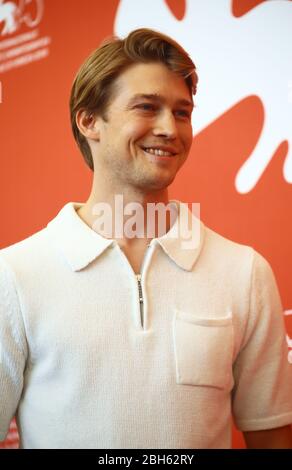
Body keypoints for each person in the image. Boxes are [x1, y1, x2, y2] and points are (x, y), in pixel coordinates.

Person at [0, 28, 292, 450]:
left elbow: (273, 438)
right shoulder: (15, 275)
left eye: (182, 112)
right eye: (147, 107)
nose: (169, 129)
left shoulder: (244, 272)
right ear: (88, 121)